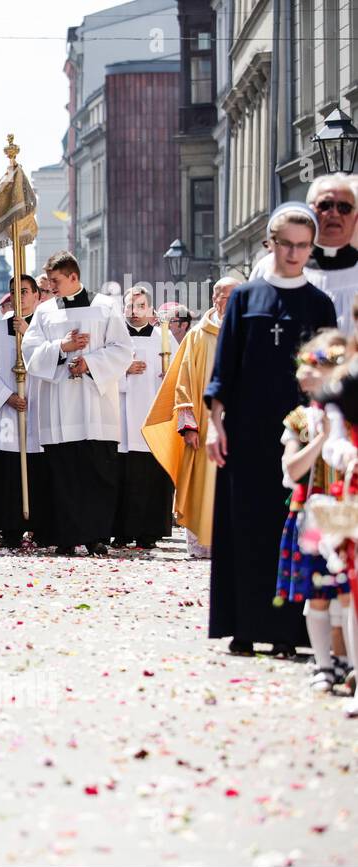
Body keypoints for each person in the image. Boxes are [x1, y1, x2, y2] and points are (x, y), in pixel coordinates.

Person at [206, 202, 337, 657]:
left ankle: (287, 632)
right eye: (288, 244)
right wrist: (214, 424)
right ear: (271, 243)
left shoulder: (320, 305)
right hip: (244, 431)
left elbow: (329, 376)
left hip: (297, 435)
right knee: (243, 528)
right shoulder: (245, 298)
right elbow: (223, 369)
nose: (296, 253)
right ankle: (242, 626)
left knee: (292, 531)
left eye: (304, 246)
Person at [22, 251, 131, 556]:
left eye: (56, 281)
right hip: (59, 408)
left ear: (73, 277)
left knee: (97, 474)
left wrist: (90, 363)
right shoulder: (45, 313)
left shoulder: (106, 307)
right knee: (64, 475)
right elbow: (29, 352)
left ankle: (96, 536)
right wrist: (62, 348)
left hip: (95, 408)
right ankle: (66, 537)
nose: (51, 287)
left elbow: (123, 349)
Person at [144, 276, 240, 559]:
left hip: (241, 425)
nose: (229, 302)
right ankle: (204, 544)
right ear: (214, 299)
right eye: (223, 296)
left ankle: (237, 541)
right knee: (203, 481)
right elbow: (184, 382)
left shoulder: (251, 331)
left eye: (235, 296)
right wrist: (189, 426)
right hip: (206, 423)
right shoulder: (198, 336)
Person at [275, 330, 351, 692]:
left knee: (349, 590)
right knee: (319, 591)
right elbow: (291, 471)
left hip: (349, 508)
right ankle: (324, 664)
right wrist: (319, 440)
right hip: (317, 510)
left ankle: (346, 662)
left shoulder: (350, 416)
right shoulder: (302, 420)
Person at [0, 274, 49, 547]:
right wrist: (7, 396)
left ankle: (41, 525)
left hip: (39, 410)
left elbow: (54, 358)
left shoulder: (45, 328)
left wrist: (27, 334)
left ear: (36, 296)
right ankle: (10, 527)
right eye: (13, 292)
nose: (20, 296)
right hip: (9, 412)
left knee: (40, 470)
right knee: (8, 473)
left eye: (25, 291)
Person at [252, 175, 358, 335]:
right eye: (325, 205)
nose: (334, 214)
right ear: (310, 211)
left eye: (344, 207)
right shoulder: (271, 267)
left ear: (355, 217)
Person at [113, 286, 172, 550]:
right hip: (121, 420)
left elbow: (179, 375)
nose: (135, 312)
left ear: (150, 309)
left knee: (151, 476)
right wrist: (123, 371)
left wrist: (167, 375)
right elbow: (99, 372)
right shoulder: (114, 340)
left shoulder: (165, 338)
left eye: (140, 306)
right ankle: (121, 531)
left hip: (153, 418)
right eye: (130, 306)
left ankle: (150, 531)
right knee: (122, 476)